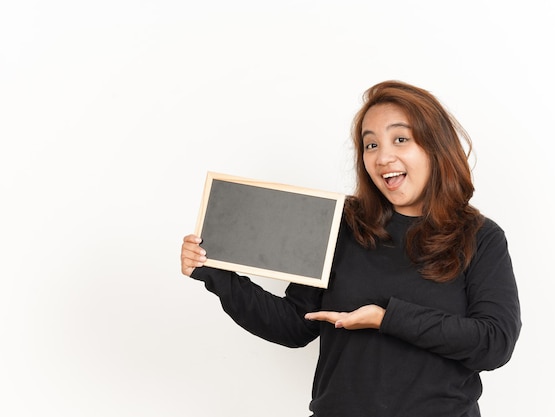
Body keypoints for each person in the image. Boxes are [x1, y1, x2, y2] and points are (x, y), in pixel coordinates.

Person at [180, 80, 521, 417]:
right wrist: (216, 272)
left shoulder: (480, 238)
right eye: (370, 145)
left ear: (435, 147)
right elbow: (294, 325)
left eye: (400, 139)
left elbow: (494, 343)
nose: (383, 156)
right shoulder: (341, 225)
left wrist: (386, 318)